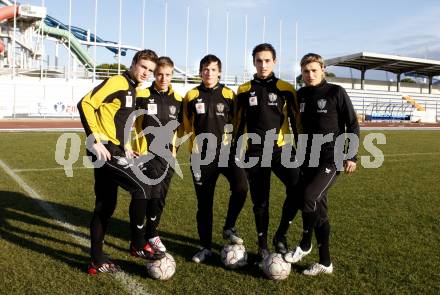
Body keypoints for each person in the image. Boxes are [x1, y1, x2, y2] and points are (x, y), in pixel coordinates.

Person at [77, 49, 165, 275]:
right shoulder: (117, 81)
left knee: (105, 205)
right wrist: (94, 140)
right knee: (142, 186)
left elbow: (118, 120)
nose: (146, 73)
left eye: (150, 70)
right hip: (103, 149)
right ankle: (137, 243)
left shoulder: (134, 89)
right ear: (134, 63)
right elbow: (85, 104)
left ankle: (95, 261)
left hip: (115, 149)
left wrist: (126, 147)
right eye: (143, 67)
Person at [281, 53, 359, 276]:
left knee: (307, 197)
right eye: (306, 71)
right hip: (307, 158)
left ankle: (305, 244)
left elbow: (352, 125)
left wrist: (351, 155)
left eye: (314, 70)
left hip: (331, 158)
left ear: (323, 69)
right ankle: (325, 262)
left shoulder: (336, 92)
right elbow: (296, 125)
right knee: (319, 209)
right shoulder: (301, 95)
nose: (310, 75)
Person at [235, 43, 302, 263]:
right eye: (258, 60)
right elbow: (238, 123)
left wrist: (303, 149)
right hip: (254, 153)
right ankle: (262, 245)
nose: (263, 64)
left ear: (274, 61)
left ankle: (280, 235)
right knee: (260, 202)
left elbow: (295, 122)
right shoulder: (244, 90)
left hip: (280, 150)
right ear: (253, 62)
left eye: (267, 60)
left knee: (298, 189)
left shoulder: (286, 88)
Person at [183, 54, 249, 263]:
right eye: (205, 69)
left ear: (219, 72)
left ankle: (229, 226)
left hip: (227, 154)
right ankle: (205, 247)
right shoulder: (191, 95)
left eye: (212, 69)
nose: (208, 73)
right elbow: (185, 125)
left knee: (241, 186)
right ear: (200, 71)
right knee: (205, 204)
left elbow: (238, 123)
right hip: (201, 157)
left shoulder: (230, 94)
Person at [132, 56, 183, 253]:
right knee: (146, 197)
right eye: (160, 74)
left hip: (167, 158)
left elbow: (181, 128)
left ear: (172, 75)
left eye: (167, 74)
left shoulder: (178, 100)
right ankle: (139, 237)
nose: (163, 78)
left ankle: (152, 234)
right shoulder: (142, 94)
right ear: (155, 74)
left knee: (159, 199)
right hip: (146, 156)